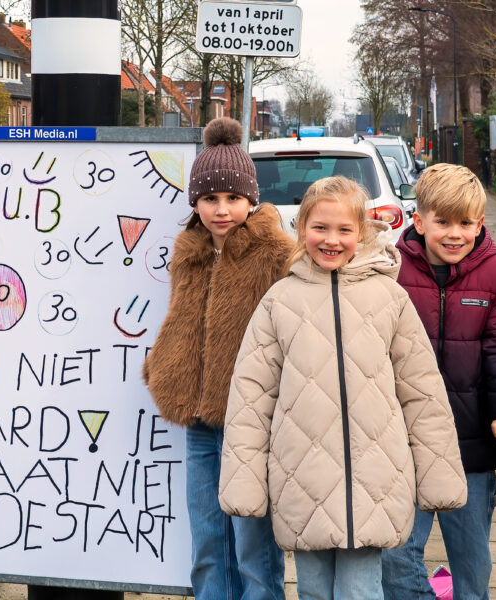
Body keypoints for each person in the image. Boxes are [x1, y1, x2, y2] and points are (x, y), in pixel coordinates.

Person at [219, 176, 468, 600]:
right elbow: (251, 399)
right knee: (314, 591)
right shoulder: (279, 301)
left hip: (374, 480)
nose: (331, 240)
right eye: (320, 228)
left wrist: (439, 475)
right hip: (302, 480)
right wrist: (244, 480)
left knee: (360, 590)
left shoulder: (390, 298)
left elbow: (422, 393)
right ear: (302, 229)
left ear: (362, 232)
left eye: (344, 230)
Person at [143, 116, 292, 600]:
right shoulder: (189, 253)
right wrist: (161, 366)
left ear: (251, 199)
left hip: (252, 420)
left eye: (232, 197)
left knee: (252, 542)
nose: (222, 209)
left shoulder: (276, 254)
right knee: (208, 538)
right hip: (199, 421)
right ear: (195, 202)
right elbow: (180, 318)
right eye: (210, 198)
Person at [382, 164, 496, 600]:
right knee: (395, 557)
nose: (454, 234)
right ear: (419, 220)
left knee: (472, 561)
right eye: (442, 222)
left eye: (465, 223)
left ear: (480, 224)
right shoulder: (390, 270)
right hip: (404, 441)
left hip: (472, 442)